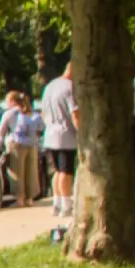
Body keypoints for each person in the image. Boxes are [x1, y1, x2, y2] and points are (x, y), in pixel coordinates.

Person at [40, 64, 80, 217]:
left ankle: (56, 203)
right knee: (66, 170)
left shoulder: (50, 86)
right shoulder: (70, 87)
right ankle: (66, 205)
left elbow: (43, 113)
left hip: (50, 133)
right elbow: (74, 113)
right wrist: (81, 132)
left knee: (57, 171)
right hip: (66, 134)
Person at [0, 91, 42, 207]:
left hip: (16, 145)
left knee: (16, 173)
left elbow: (1, 131)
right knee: (31, 171)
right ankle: (30, 199)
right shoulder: (31, 112)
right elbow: (40, 130)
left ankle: (20, 199)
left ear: (12, 101)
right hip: (32, 144)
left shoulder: (10, 113)